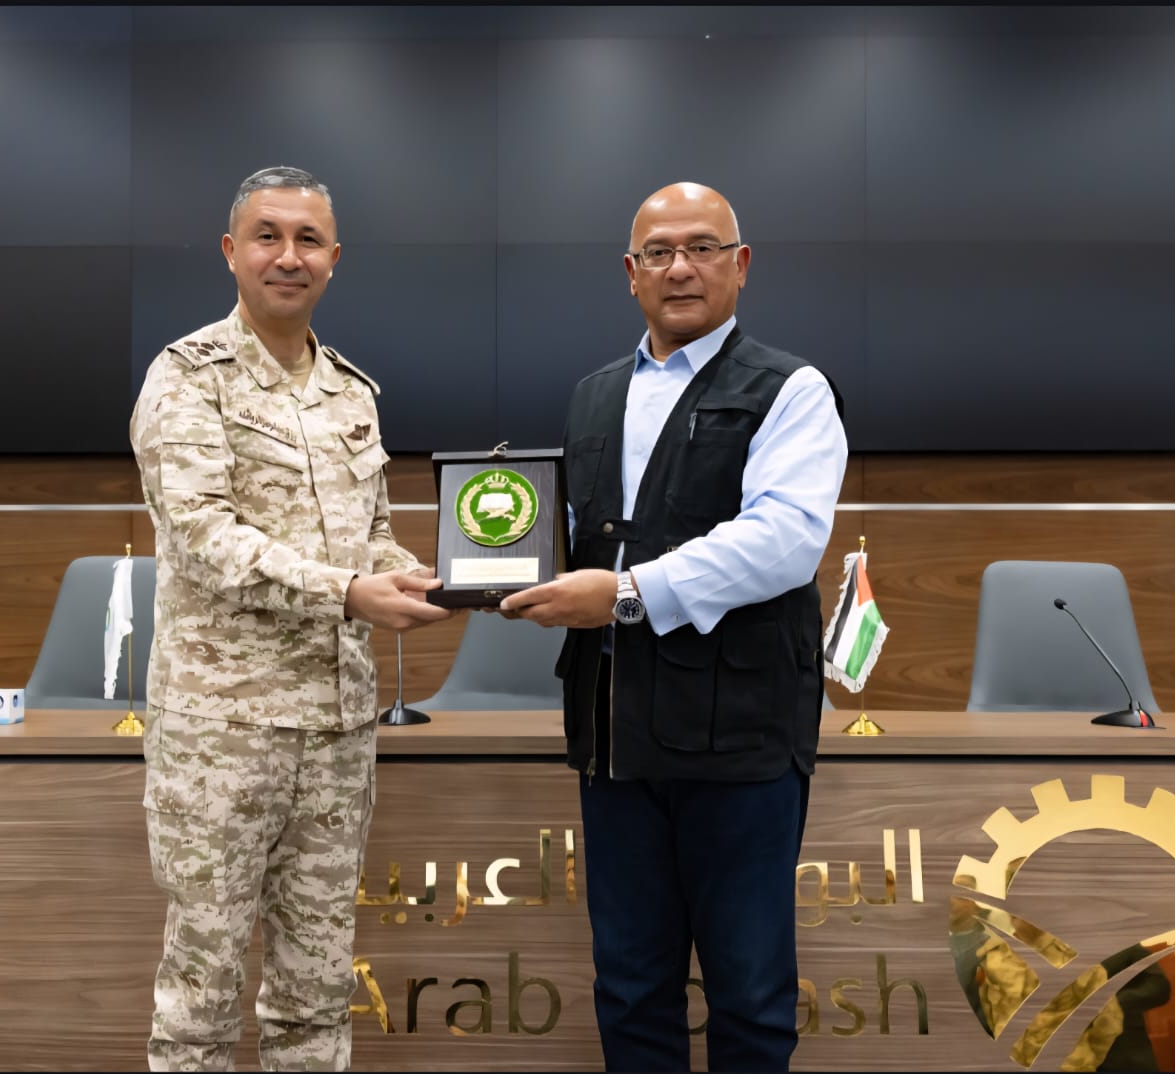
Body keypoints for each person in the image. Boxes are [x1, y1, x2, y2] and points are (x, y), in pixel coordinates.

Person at [501, 181, 848, 1072]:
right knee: (629, 990)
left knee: (751, 996)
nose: (680, 268)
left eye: (702, 247)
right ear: (631, 273)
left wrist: (622, 594)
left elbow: (782, 542)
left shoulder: (791, 390)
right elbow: (566, 538)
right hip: (615, 741)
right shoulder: (593, 396)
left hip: (741, 743)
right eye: (659, 252)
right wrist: (483, 573)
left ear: (741, 264)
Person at [130, 165, 451, 1071]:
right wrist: (349, 592)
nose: (288, 256)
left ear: (334, 258)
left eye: (308, 239)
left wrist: (425, 578)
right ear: (231, 251)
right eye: (267, 236)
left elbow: (371, 534)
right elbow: (203, 538)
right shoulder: (186, 379)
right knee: (201, 996)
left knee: (316, 995)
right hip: (222, 734)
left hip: (336, 730)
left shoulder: (352, 393)